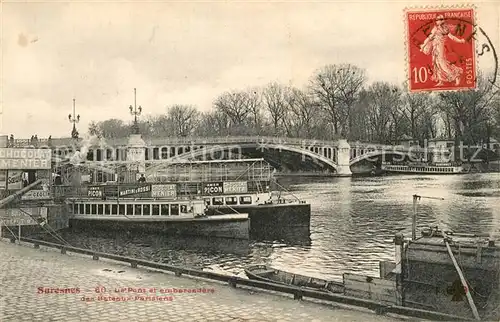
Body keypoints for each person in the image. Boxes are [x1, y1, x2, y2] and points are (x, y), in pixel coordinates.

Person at [420, 15, 466, 87]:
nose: (437, 21)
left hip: (440, 48)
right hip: (435, 48)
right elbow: (430, 38)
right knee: (436, 64)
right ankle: (441, 81)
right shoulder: (436, 28)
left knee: (442, 63)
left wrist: (460, 41)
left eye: (438, 20)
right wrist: (423, 46)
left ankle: (456, 76)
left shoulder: (444, 29)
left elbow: (452, 37)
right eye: (437, 20)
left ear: (441, 21)